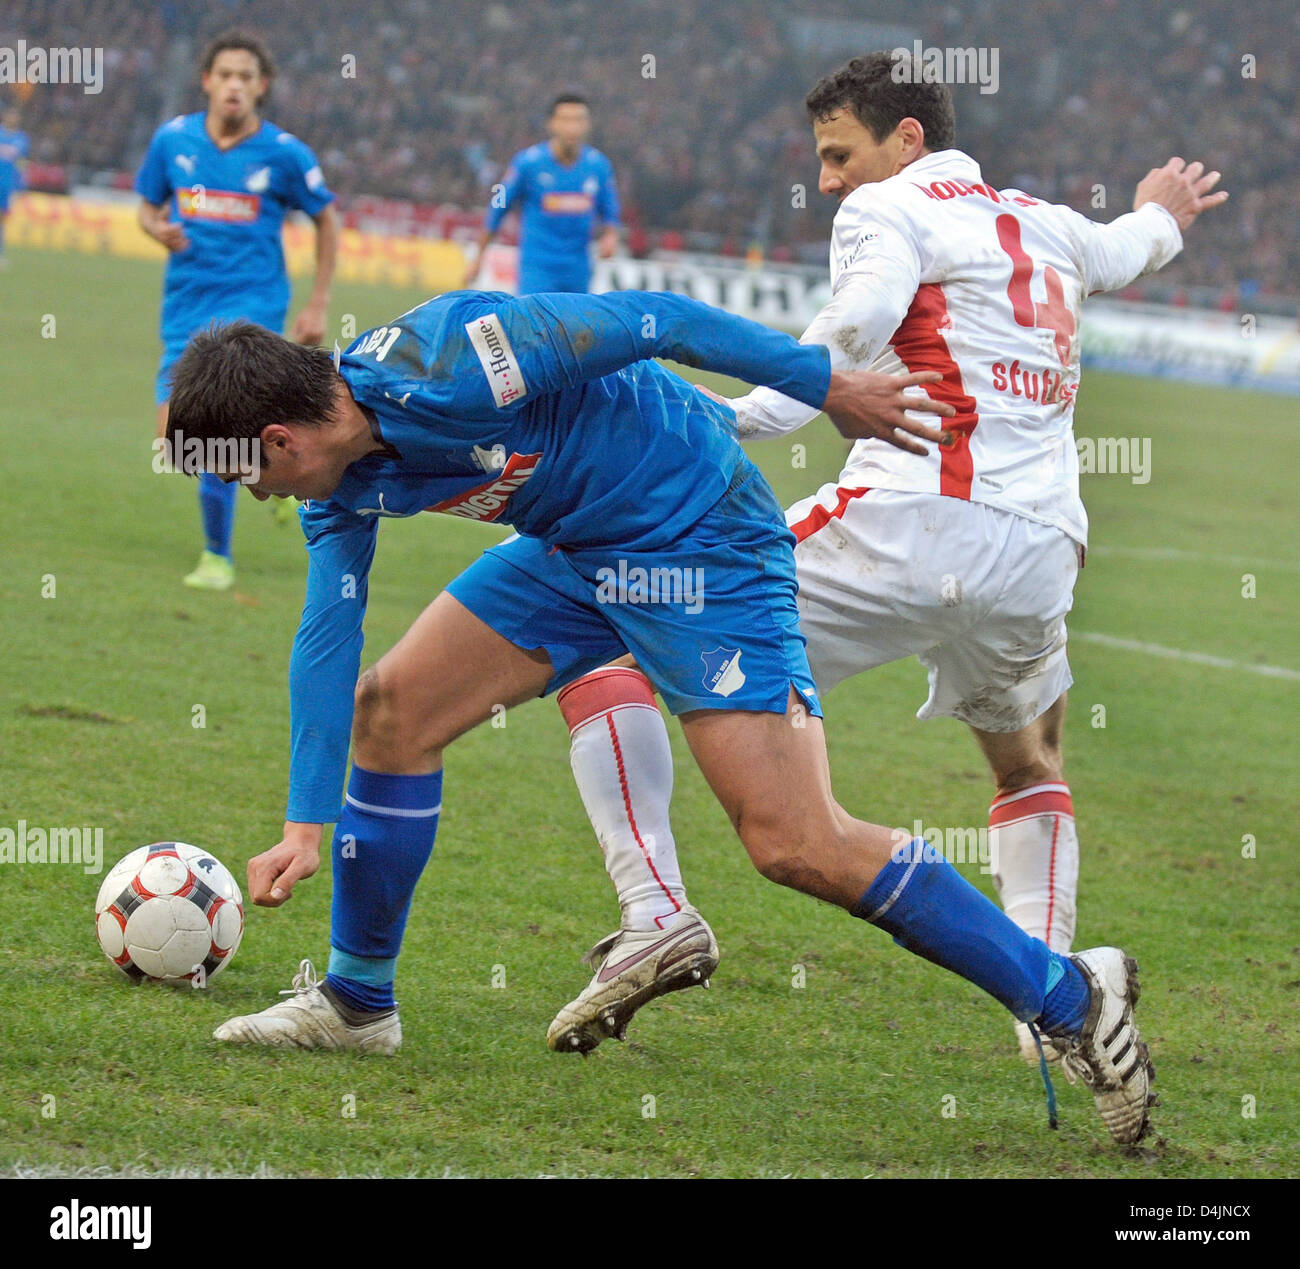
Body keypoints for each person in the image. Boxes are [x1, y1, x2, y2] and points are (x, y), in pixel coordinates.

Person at [166, 284, 1151, 1145]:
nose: (252, 493)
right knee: (392, 710)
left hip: (700, 537)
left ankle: (1072, 999)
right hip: (577, 548)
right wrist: (305, 819)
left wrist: (825, 383)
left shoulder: (459, 355)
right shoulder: (339, 487)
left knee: (794, 840)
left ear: (279, 439)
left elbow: (659, 319)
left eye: (241, 473)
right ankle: (356, 1002)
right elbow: (327, 636)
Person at [545, 52, 1227, 1080]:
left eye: (837, 155)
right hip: (1040, 554)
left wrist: (736, 419)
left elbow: (851, 326)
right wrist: (1163, 208)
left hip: (911, 524)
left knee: (613, 630)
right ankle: (1060, 1010)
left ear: (906, 139)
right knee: (1028, 763)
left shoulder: (889, 210)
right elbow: (1132, 249)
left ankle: (654, 912)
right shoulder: (1044, 222)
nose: (825, 181)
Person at [136, 29, 338, 590]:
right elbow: (146, 208)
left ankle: (216, 558)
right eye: (225, 74)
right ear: (206, 81)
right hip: (185, 310)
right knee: (175, 444)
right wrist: (157, 228)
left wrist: (318, 300)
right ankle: (279, 469)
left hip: (252, 309)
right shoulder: (172, 141)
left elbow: (327, 216)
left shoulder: (284, 153)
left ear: (261, 87)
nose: (234, 86)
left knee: (215, 432)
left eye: (245, 77)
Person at [464, 93, 620, 294]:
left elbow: (610, 211)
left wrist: (610, 235)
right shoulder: (528, 163)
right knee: (534, 324)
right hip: (537, 269)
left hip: (578, 269)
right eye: (566, 120)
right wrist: (479, 258)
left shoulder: (599, 166)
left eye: (579, 120)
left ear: (587, 125)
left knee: (575, 326)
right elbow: (498, 206)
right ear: (552, 124)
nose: (572, 127)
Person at [0, 106, 29, 267]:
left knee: (2, 220)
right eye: (11, 115)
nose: (13, 119)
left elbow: (21, 164)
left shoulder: (21, 139)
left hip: (6, 185)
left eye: (16, 116)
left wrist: (21, 185)